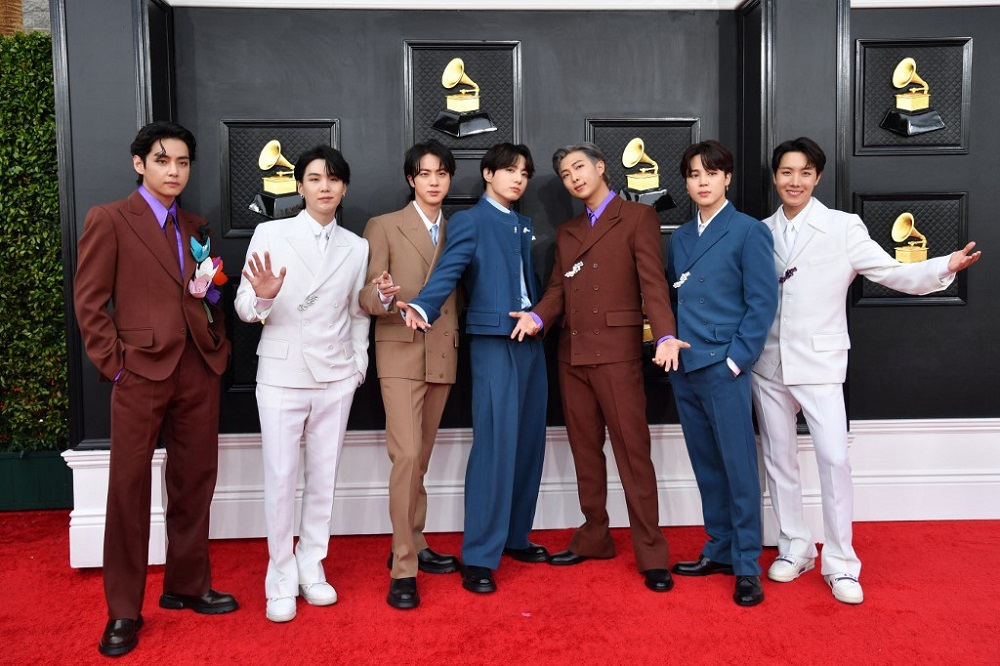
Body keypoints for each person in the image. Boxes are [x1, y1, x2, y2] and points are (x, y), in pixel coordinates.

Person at [751, 137, 981, 605]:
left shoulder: (843, 227)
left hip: (821, 361)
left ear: (817, 177)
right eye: (786, 172)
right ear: (775, 177)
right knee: (778, 459)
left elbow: (892, 272)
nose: (795, 181)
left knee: (834, 459)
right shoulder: (758, 231)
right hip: (768, 363)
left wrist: (944, 266)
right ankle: (795, 546)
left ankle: (840, 563)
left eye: (805, 172)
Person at [74, 121, 236, 657]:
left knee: (194, 481)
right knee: (128, 489)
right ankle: (123, 609)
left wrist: (215, 339)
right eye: (163, 160)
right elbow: (89, 302)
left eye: (183, 162)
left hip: (198, 368)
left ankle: (187, 585)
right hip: (139, 371)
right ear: (139, 163)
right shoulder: (110, 219)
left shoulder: (196, 224)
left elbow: (206, 293)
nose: (174, 171)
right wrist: (117, 366)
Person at [508, 142, 689, 593]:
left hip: (618, 355)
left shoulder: (638, 217)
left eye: (579, 168)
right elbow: (557, 290)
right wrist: (537, 317)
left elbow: (653, 284)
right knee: (585, 453)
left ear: (601, 167)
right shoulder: (567, 231)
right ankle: (594, 536)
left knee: (633, 454)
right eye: (565, 174)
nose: (574, 178)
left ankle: (652, 552)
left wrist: (665, 335)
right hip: (572, 356)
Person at [398, 143, 550, 594]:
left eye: (525, 172)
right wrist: (423, 306)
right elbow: (449, 271)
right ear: (487, 173)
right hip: (492, 343)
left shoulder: (523, 223)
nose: (518, 179)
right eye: (509, 170)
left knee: (528, 443)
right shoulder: (469, 221)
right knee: (494, 447)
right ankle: (480, 557)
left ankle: (515, 536)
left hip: (531, 341)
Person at [234, 145, 369, 623]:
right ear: (299, 186)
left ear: (344, 187)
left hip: (335, 376)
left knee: (324, 478)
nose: (324, 187)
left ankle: (312, 565)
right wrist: (263, 298)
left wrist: (357, 366)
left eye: (333, 179)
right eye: (314, 178)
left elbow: (357, 313)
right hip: (281, 374)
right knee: (280, 479)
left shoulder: (356, 246)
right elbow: (244, 307)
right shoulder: (271, 233)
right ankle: (279, 578)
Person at [666, 140, 778, 607]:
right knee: (707, 464)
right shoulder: (679, 237)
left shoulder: (749, 231)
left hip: (724, 365)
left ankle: (747, 563)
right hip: (685, 365)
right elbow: (673, 298)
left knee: (738, 466)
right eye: (694, 174)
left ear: (727, 178)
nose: (703, 182)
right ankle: (719, 548)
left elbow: (763, 302)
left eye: (711, 173)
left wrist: (737, 360)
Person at [359, 140, 461, 609]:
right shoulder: (383, 226)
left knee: (420, 460)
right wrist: (382, 295)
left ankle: (415, 539)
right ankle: (403, 565)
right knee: (406, 457)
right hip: (399, 353)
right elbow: (365, 296)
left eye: (441, 173)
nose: (434, 181)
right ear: (411, 179)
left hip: (442, 352)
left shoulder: (459, 229)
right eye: (425, 173)